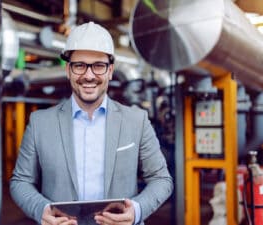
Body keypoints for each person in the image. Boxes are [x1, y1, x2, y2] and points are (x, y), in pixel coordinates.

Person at [10, 21, 173, 225]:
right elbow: (20, 182)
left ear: (110, 71)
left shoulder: (136, 121)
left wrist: (137, 211)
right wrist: (41, 210)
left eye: (98, 66)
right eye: (79, 65)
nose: (89, 75)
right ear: (68, 70)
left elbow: (161, 179)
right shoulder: (40, 123)